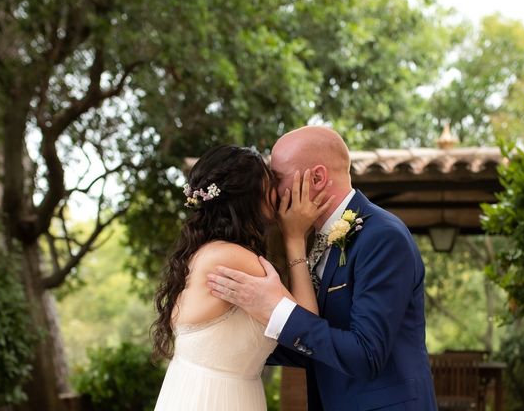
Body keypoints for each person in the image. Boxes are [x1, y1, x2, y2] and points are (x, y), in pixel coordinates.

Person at [207, 126, 438, 410]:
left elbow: (366, 355)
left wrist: (274, 307)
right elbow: (314, 347)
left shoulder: (382, 236)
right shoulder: (316, 238)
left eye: (277, 178)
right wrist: (226, 344)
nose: (271, 192)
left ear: (317, 177)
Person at [152, 144, 333, 411]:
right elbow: (306, 324)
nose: (277, 192)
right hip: (216, 399)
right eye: (270, 182)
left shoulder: (207, 252)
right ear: (252, 195)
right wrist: (295, 238)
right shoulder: (234, 259)